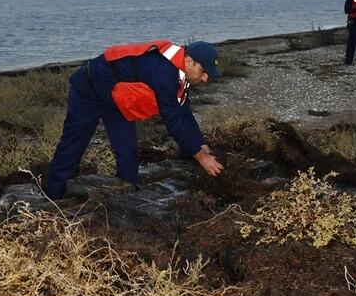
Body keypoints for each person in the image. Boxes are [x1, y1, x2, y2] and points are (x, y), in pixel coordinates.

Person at [43, 40, 224, 199]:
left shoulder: (180, 73)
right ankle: (53, 196)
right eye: (203, 71)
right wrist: (201, 158)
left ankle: (126, 200)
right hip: (89, 89)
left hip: (117, 98)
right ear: (189, 61)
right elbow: (173, 120)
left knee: (127, 151)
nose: (206, 78)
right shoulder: (163, 72)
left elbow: (184, 111)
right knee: (73, 145)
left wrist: (202, 146)